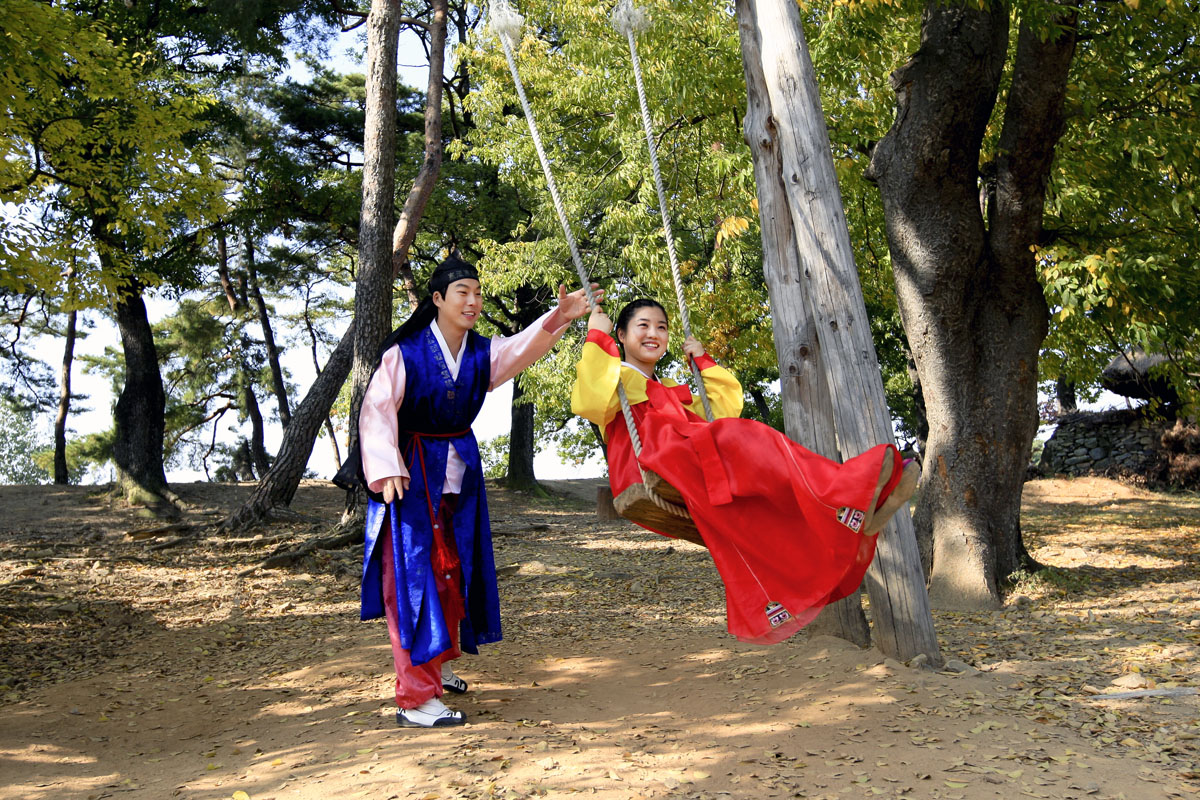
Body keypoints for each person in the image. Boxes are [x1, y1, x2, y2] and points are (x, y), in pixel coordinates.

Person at [571, 297, 918, 645]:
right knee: (748, 437)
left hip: (683, 452)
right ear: (621, 334)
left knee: (764, 495)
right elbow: (589, 401)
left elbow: (722, 407)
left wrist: (702, 360)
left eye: (661, 327)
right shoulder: (616, 379)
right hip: (651, 459)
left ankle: (852, 513)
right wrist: (597, 337)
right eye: (643, 326)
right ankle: (849, 489)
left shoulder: (669, 391)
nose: (654, 334)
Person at [356, 253, 597, 728]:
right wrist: (386, 467)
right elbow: (376, 409)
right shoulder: (404, 352)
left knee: (454, 571)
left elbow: (521, 348)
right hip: (412, 476)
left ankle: (438, 664)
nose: (472, 301)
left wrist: (559, 316)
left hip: (460, 476)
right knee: (414, 580)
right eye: (462, 292)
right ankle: (415, 699)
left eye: (478, 293)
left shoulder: (480, 353)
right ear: (437, 299)